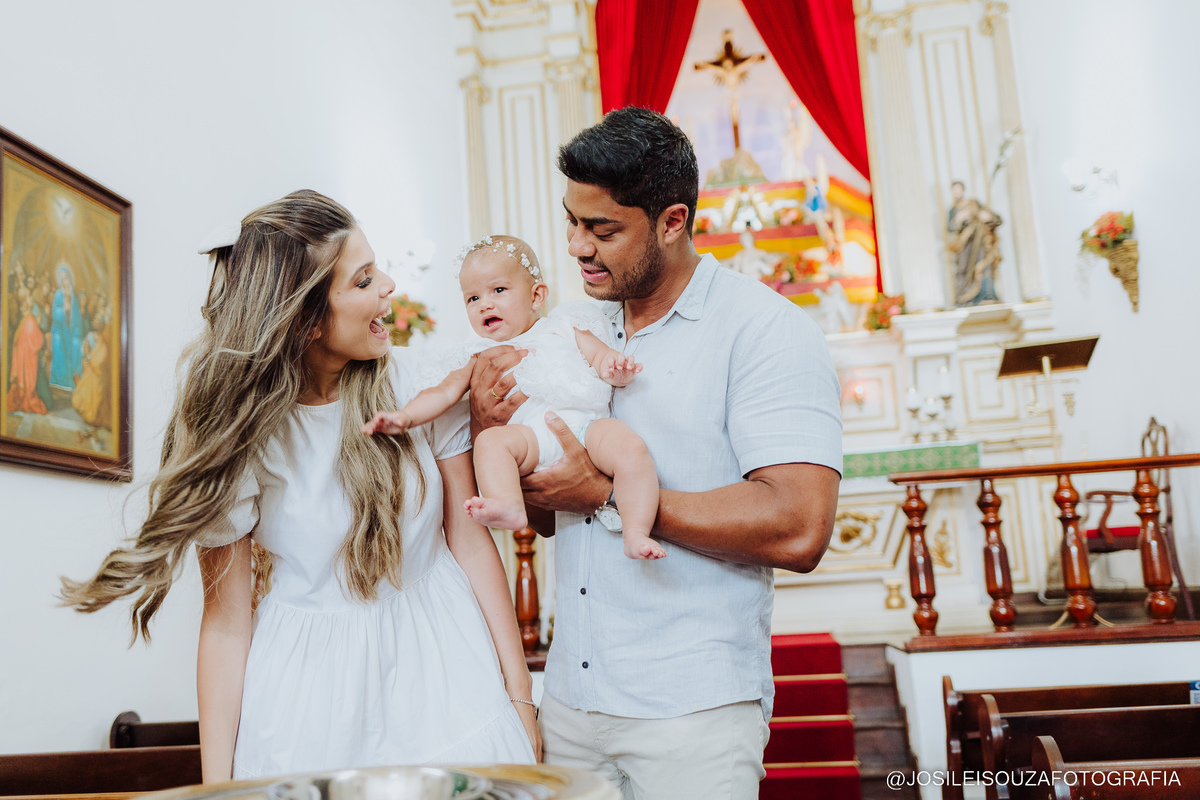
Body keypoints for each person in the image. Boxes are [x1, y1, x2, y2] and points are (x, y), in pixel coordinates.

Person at [59, 190, 539, 781]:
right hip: (310, 699)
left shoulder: (422, 384)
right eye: (363, 280)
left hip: (445, 666)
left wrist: (519, 698)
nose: (388, 285)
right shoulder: (245, 437)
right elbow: (226, 624)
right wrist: (219, 787)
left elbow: (469, 545)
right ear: (306, 319)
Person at [470, 107, 843, 800]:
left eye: (603, 229)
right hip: (574, 699)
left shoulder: (763, 331)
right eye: (572, 222)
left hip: (691, 706)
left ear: (672, 221)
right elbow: (551, 516)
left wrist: (608, 495)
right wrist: (510, 443)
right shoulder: (572, 327)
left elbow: (799, 525)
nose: (579, 246)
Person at [362, 235, 663, 560]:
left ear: (536, 296)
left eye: (498, 290)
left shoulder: (562, 326)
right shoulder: (476, 353)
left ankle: (635, 532)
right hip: (528, 439)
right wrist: (405, 417)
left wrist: (615, 368)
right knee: (491, 443)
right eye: (472, 298)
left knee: (631, 449)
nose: (484, 304)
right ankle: (508, 506)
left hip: (586, 427)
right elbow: (444, 392)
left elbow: (602, 358)